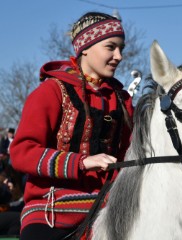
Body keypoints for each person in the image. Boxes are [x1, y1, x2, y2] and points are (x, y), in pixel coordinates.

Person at [10, 11, 133, 240]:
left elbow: (129, 154)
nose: (119, 56)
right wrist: (82, 162)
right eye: (111, 47)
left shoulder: (123, 100)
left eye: (121, 49)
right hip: (51, 210)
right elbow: (21, 152)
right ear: (86, 47)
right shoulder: (52, 91)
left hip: (108, 210)